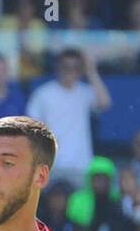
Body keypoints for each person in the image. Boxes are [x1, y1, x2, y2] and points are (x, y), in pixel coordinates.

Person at [25, 49, 111, 184]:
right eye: (66, 67)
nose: (70, 71)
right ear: (58, 67)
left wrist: (91, 72)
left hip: (81, 165)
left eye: (75, 68)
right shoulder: (43, 94)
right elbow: (31, 129)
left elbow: (105, 103)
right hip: (51, 165)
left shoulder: (85, 92)